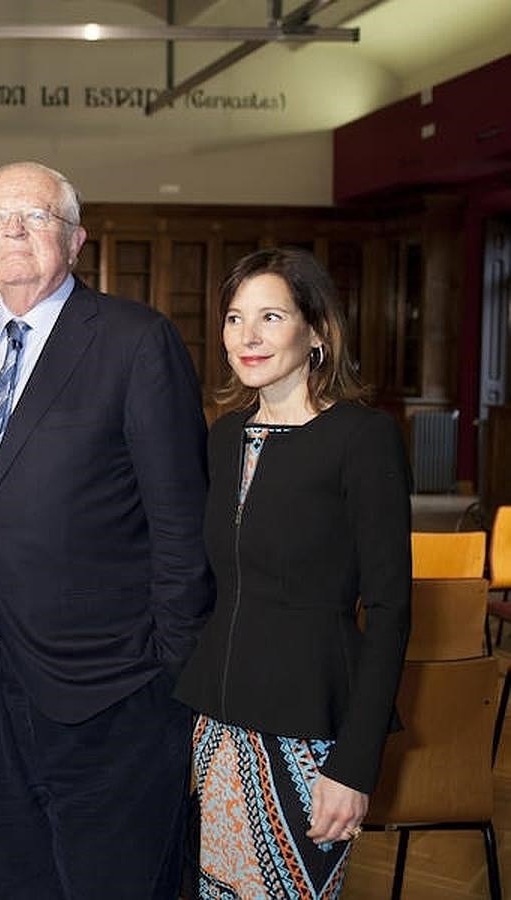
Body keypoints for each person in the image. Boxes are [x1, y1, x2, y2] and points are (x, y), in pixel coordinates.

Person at [0, 161, 213, 898]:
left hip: (112, 688)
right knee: (12, 882)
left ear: (77, 239)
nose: (14, 232)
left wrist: (168, 677)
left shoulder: (135, 341)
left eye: (37, 217)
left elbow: (183, 524)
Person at [174, 247, 411, 898]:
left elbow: (391, 612)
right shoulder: (223, 438)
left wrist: (357, 764)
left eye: (270, 317)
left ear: (316, 331)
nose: (246, 337)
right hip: (216, 732)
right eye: (233, 318)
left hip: (312, 739)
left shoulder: (363, 438)